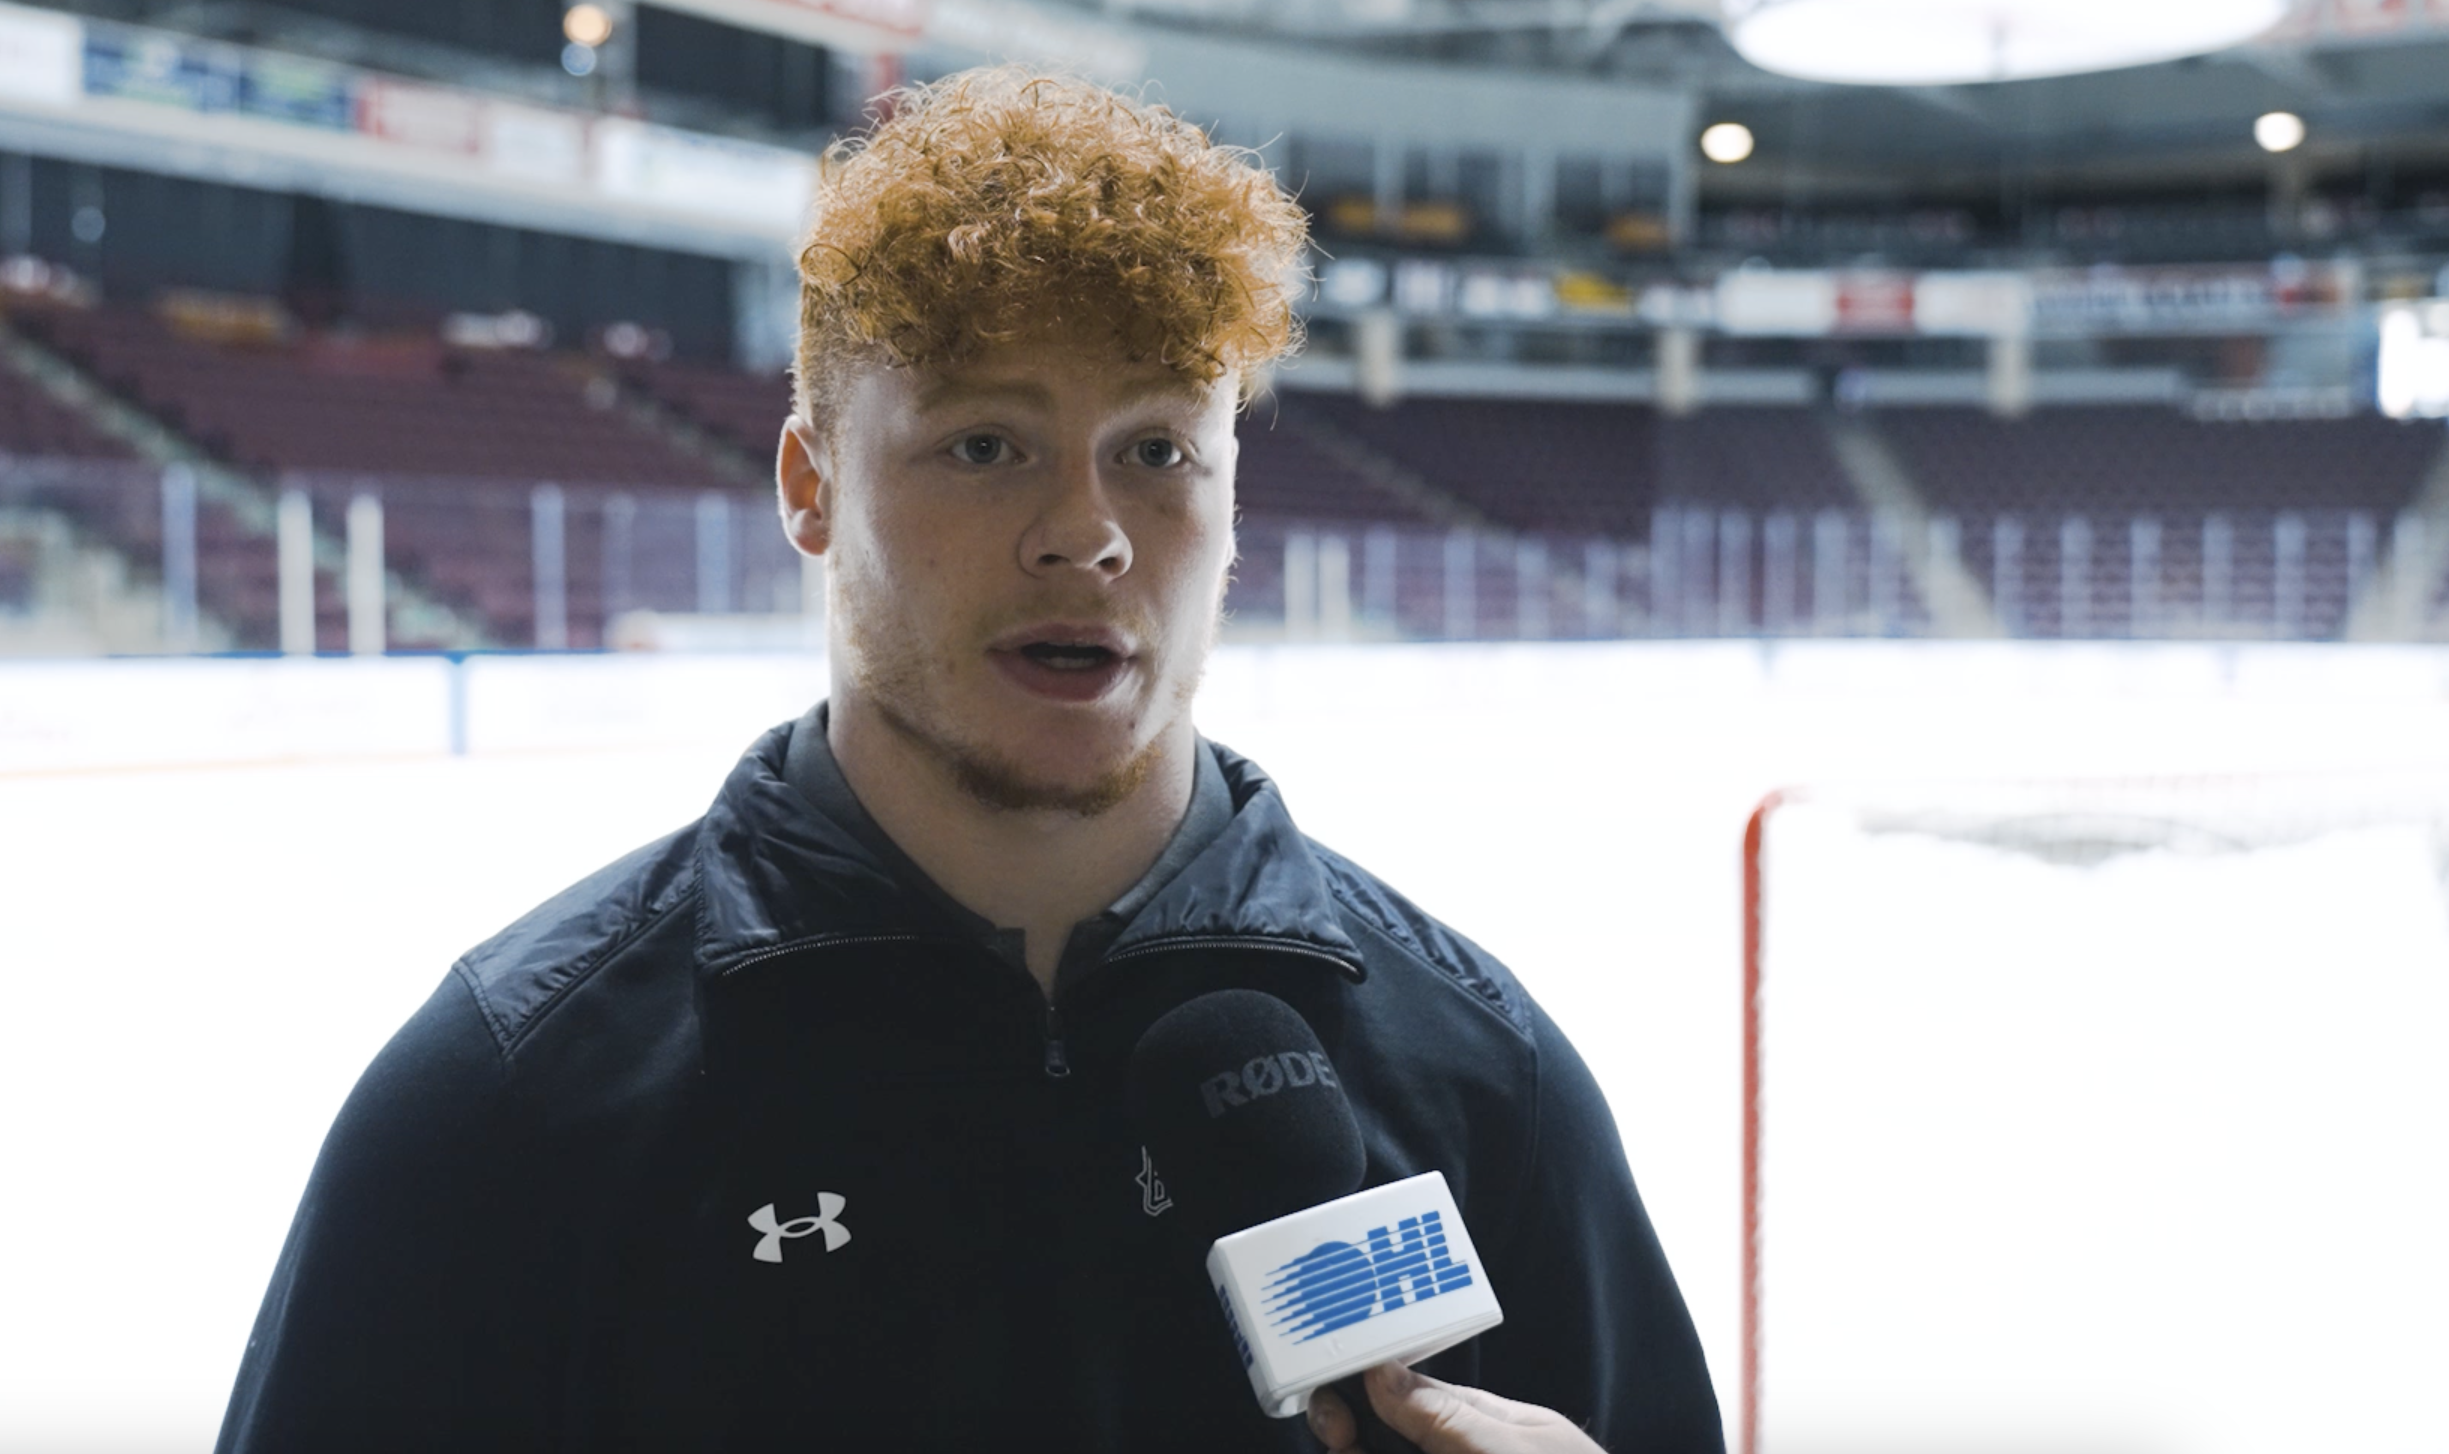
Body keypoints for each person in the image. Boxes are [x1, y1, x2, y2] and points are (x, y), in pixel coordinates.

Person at [214, 67, 1719, 1454]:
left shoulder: (1479, 1075)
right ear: (810, 485)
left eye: (1157, 449)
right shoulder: (515, 1101)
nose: (1088, 533)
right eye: (986, 445)